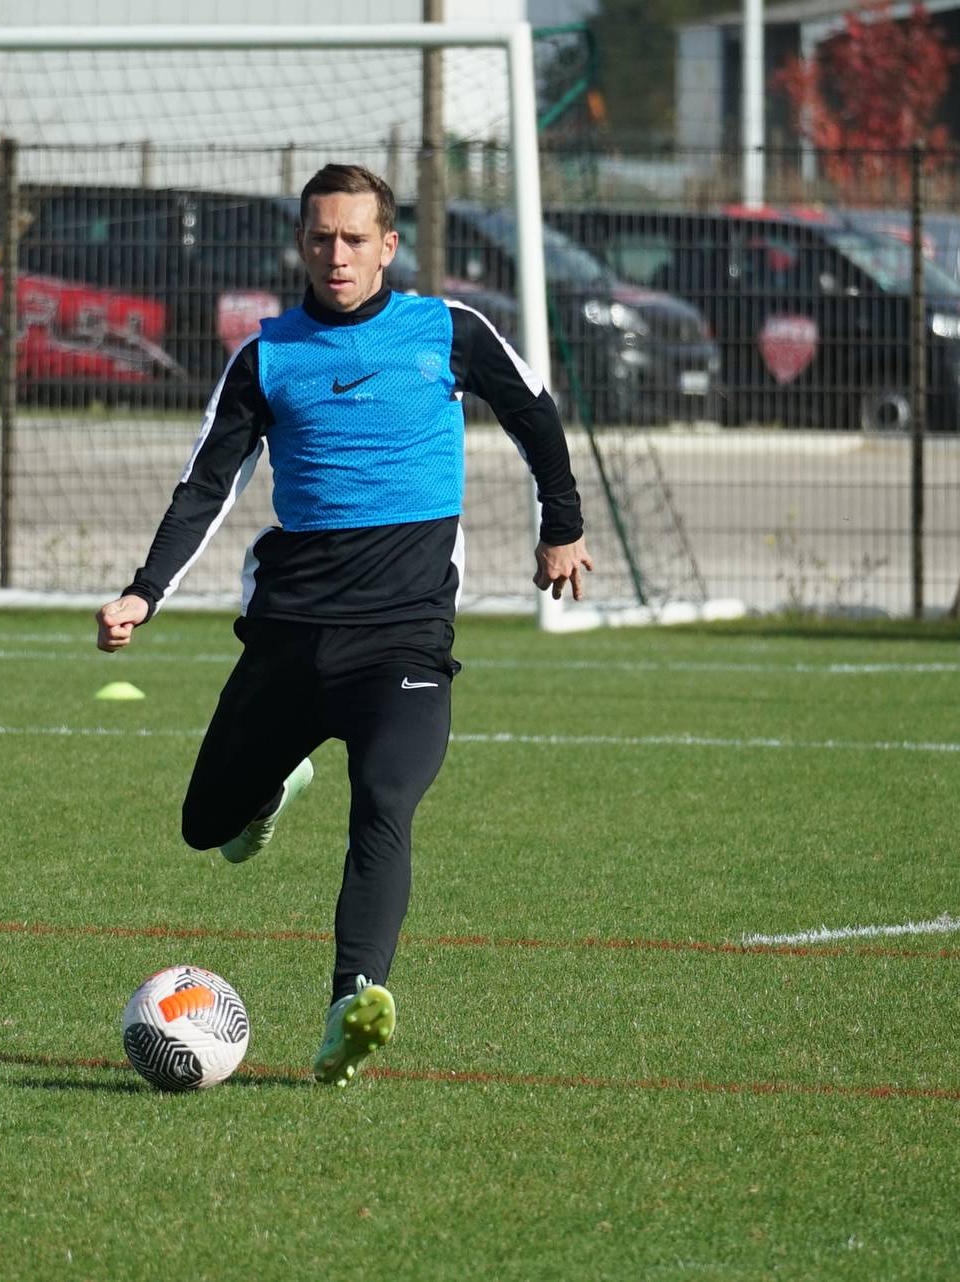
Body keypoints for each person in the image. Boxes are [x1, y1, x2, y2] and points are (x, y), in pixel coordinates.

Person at [96, 164, 591, 1087]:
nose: (338, 254)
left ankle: (351, 1006)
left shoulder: (448, 331)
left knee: (384, 802)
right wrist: (143, 592)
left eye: (356, 238)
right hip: (290, 636)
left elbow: (534, 415)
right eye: (322, 237)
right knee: (205, 826)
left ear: (388, 246)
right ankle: (269, 792)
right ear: (302, 243)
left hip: (405, 641)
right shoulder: (267, 356)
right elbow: (208, 484)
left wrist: (560, 524)